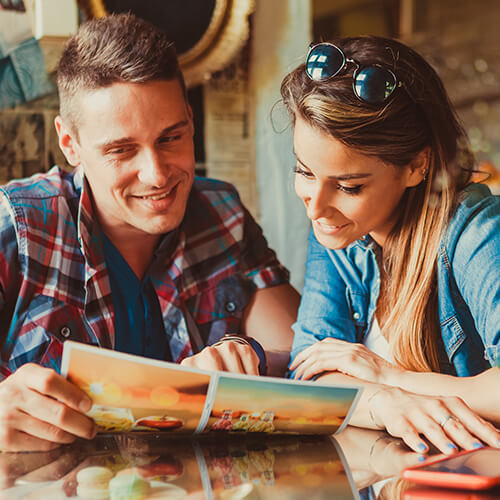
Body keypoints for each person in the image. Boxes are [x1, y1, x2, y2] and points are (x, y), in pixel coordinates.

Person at [0, 13, 300, 452]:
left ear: (190, 121)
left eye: (171, 138)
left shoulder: (221, 212)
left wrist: (245, 352)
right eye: (122, 150)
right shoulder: (17, 225)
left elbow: (305, 358)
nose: (157, 174)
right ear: (70, 143)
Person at [282, 36, 500, 455]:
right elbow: (311, 373)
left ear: (417, 166)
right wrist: (382, 404)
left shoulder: (476, 233)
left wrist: (387, 377)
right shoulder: (336, 229)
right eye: (304, 172)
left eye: (348, 185)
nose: (316, 208)